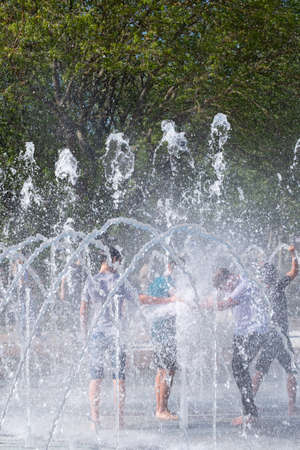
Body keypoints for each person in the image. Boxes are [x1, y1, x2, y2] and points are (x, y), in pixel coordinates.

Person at [80, 247, 133, 430]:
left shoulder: (91, 281)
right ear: (113, 259)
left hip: (96, 334)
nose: (119, 265)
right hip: (116, 334)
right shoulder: (120, 281)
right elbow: (135, 301)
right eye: (118, 261)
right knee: (119, 377)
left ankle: (95, 420)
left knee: (96, 377)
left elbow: (83, 311)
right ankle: (120, 421)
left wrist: (84, 334)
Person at [212, 267, 270, 426]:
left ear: (230, 277)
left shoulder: (244, 284)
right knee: (239, 369)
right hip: (242, 333)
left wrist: (196, 303)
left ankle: (250, 413)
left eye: (225, 286)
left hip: (255, 333)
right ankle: (249, 411)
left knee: (239, 367)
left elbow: (223, 305)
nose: (226, 289)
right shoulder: (236, 284)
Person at [252, 245, 299, 416]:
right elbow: (294, 271)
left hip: (268, 336)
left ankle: (249, 403)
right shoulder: (278, 286)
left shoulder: (259, 293)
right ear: (274, 276)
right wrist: (293, 254)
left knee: (260, 371)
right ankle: (292, 407)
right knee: (290, 370)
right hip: (281, 336)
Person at [139, 259, 182, 421]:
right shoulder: (168, 282)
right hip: (166, 334)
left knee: (162, 371)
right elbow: (143, 299)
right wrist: (171, 301)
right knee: (167, 370)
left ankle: (161, 407)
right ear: (171, 267)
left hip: (161, 331)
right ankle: (161, 409)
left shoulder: (159, 281)